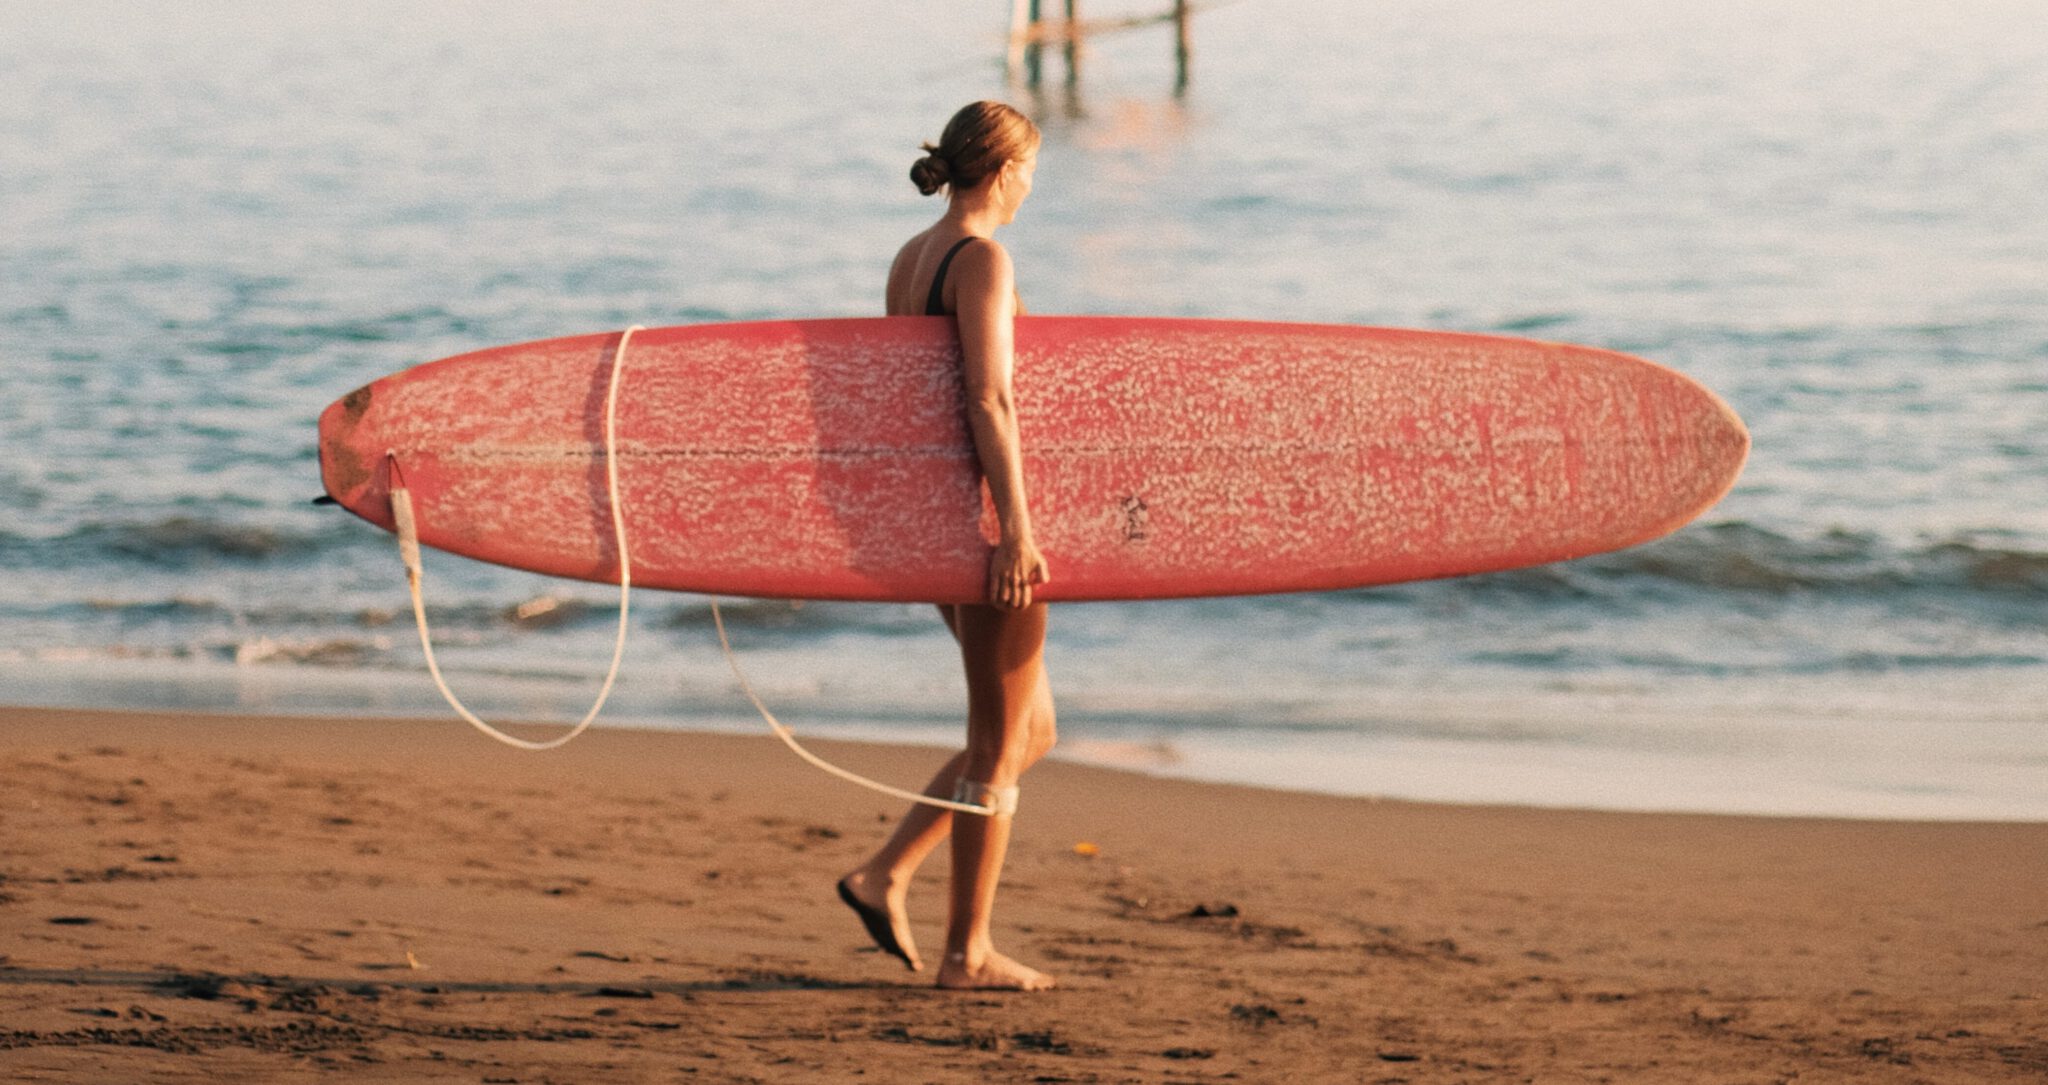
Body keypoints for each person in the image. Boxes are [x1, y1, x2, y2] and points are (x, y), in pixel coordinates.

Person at [836, 101, 1057, 992]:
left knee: (1031, 727)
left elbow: (906, 405)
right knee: (999, 743)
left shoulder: (911, 257)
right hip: (983, 526)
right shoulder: (985, 260)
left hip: (935, 519)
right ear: (1004, 171)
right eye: (1032, 167)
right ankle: (968, 952)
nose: (1033, 185)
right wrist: (1018, 531)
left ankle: (884, 871)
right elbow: (989, 400)